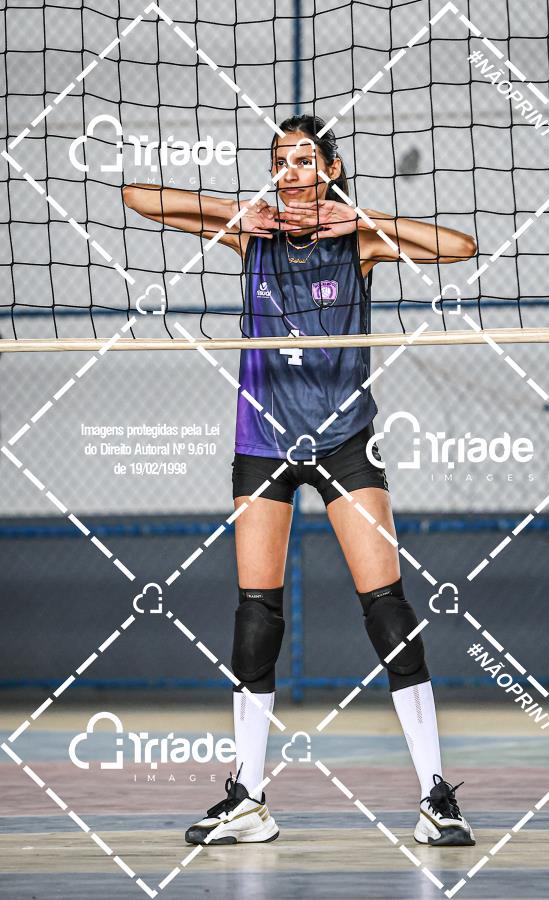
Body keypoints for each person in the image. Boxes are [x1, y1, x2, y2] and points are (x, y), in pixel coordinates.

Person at [123, 113, 477, 848]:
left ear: (331, 169)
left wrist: (360, 219)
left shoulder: (359, 241)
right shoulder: (251, 235)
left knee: (388, 611)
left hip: (345, 441)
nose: (291, 172)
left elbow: (460, 247)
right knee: (257, 617)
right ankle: (249, 800)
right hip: (263, 442)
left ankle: (436, 797)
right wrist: (236, 211)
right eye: (280, 161)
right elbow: (138, 198)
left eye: (305, 160)